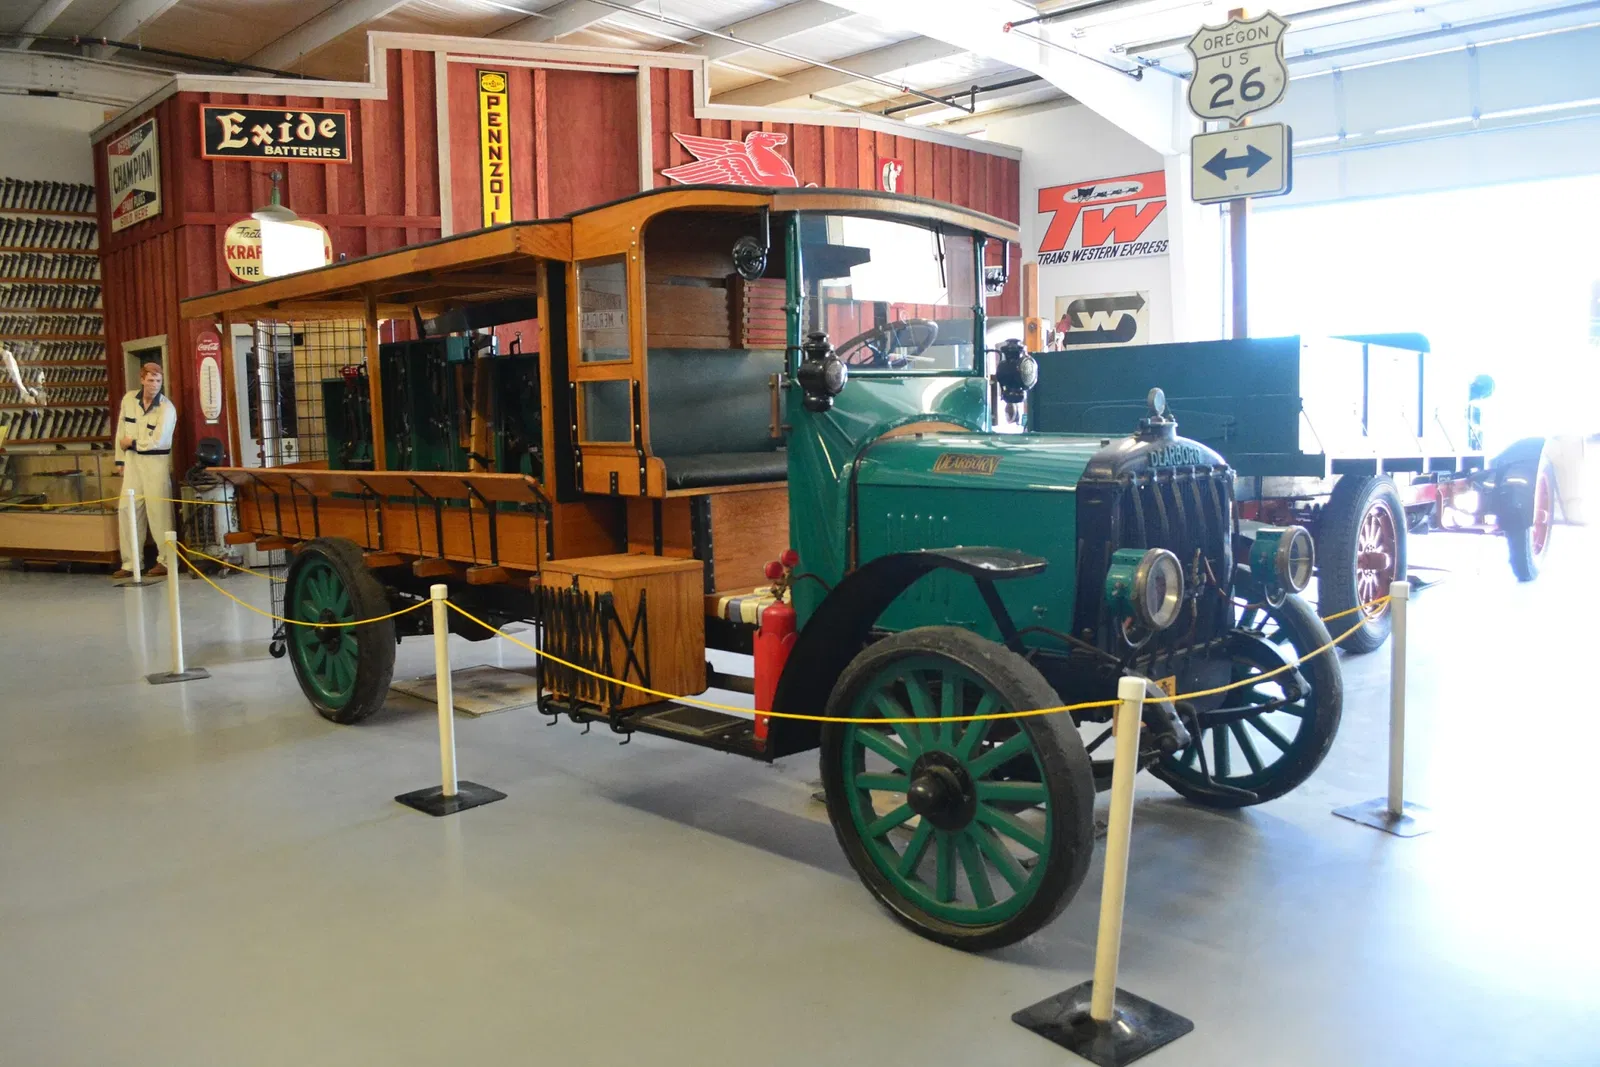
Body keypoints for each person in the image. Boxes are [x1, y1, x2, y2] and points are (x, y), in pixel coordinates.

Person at [114, 362, 177, 579]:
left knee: (159, 513)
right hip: (132, 463)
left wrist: (132, 442)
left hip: (156, 463)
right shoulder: (129, 400)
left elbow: (158, 440)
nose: (154, 385)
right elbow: (120, 432)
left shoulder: (167, 408)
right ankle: (131, 563)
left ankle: (166, 561)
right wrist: (120, 461)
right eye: (150, 380)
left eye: (158, 381)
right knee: (127, 509)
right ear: (142, 379)